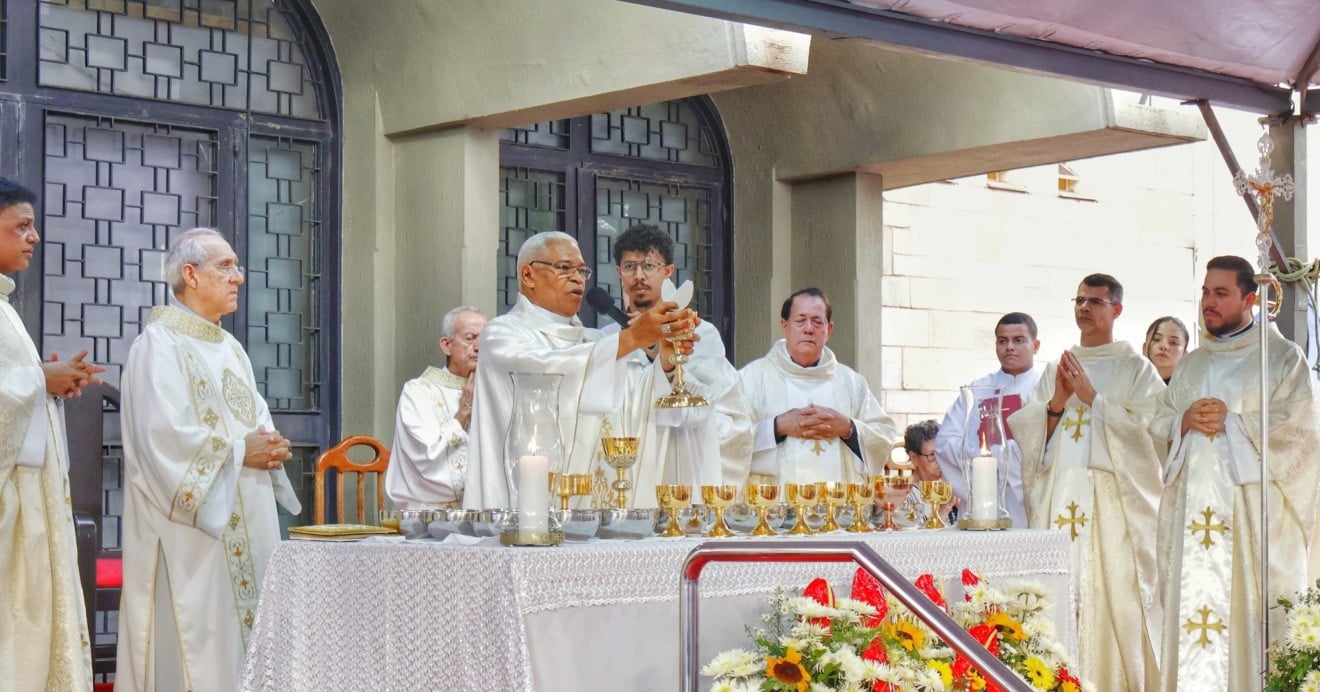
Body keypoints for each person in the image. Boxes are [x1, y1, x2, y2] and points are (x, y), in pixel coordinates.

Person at [118, 228, 302, 692]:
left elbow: (254, 418)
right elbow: (162, 441)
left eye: (237, 267)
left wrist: (271, 445)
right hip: (191, 535)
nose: (238, 277)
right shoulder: (157, 346)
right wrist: (242, 451)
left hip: (247, 516)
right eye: (225, 267)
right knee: (198, 651)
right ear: (189, 275)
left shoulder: (231, 348)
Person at [1149, 256, 1319, 691]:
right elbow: (1157, 421)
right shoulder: (1191, 364)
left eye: (1220, 293)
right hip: (1189, 532)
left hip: (1250, 532)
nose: (1209, 302)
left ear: (1249, 298)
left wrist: (1237, 422)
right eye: (1206, 292)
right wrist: (1182, 421)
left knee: (1247, 631)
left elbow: (1300, 432)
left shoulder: (1281, 358)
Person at [1007, 273, 1164, 691]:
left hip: (1113, 512)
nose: (1084, 308)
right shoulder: (1058, 366)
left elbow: (1153, 436)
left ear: (1116, 309)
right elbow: (1030, 436)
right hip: (1060, 502)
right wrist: (1057, 402)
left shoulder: (1136, 369)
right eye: (1079, 300)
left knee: (1115, 601)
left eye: (1095, 301)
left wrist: (1096, 400)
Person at [463, 231, 694, 510]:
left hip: (596, 517)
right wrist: (632, 338)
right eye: (564, 268)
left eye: (582, 271)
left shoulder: (593, 341)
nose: (577, 278)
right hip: (528, 511)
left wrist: (666, 363)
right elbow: (544, 374)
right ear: (527, 275)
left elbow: (634, 407)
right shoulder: (503, 334)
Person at [0, 178, 100, 692]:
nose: (34, 237)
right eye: (22, 226)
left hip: (26, 504)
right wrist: (40, 379)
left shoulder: (6, 309)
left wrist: (48, 380)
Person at [596, 224, 753, 495]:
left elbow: (699, 408)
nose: (639, 276)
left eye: (649, 266)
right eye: (630, 266)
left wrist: (660, 354)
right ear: (618, 273)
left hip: (679, 464)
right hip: (625, 472)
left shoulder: (699, 333)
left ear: (668, 271)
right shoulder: (607, 340)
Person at [739, 288, 896, 485]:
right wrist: (777, 427)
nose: (808, 328)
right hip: (774, 509)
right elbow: (727, 437)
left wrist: (849, 428)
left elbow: (884, 435)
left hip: (839, 509)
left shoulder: (851, 383)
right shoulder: (752, 379)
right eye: (800, 320)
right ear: (784, 325)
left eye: (817, 321)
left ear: (829, 330)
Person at [934, 312, 1043, 528]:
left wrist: (1012, 454)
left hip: (1031, 502)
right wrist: (985, 455)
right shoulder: (977, 391)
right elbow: (945, 442)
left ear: (1036, 345)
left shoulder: (1047, 389)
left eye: (1018, 340)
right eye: (1003, 341)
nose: (1009, 347)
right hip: (984, 501)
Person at [386, 306, 487, 508]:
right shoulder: (418, 392)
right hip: (428, 516)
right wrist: (461, 416)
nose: (478, 346)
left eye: (485, 340)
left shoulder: (494, 392)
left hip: (483, 513)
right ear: (446, 345)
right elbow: (425, 456)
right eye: (470, 338)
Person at [903, 419, 958, 525]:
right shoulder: (903, 496)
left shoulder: (952, 486)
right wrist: (943, 509)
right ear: (914, 458)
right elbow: (910, 540)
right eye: (932, 455)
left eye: (942, 453)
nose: (940, 461)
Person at [1143, 315, 1189, 384]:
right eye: (1156, 339)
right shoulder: (1130, 383)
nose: (1164, 346)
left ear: (1185, 354)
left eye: (1173, 343)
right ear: (1144, 348)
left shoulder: (1192, 388)